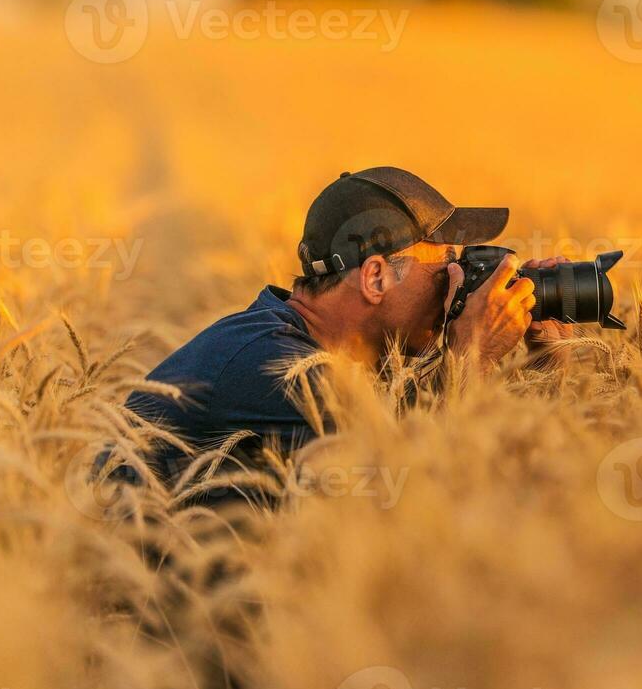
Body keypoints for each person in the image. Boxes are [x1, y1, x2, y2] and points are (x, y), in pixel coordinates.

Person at [123, 167, 571, 495]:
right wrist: (472, 355)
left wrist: (548, 367)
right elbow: (423, 497)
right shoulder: (277, 365)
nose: (459, 281)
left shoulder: (328, 352)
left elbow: (498, 486)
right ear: (376, 278)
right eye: (446, 266)